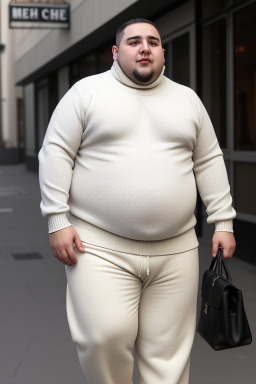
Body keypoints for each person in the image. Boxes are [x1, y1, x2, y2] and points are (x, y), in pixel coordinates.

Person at [39, 18, 236, 384]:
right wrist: (57, 219)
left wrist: (222, 221)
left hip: (176, 250)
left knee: (168, 356)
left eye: (153, 41)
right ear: (116, 53)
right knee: (103, 337)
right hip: (98, 246)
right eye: (134, 41)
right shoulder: (86, 93)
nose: (144, 47)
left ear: (162, 53)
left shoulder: (187, 100)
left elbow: (208, 160)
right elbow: (55, 154)